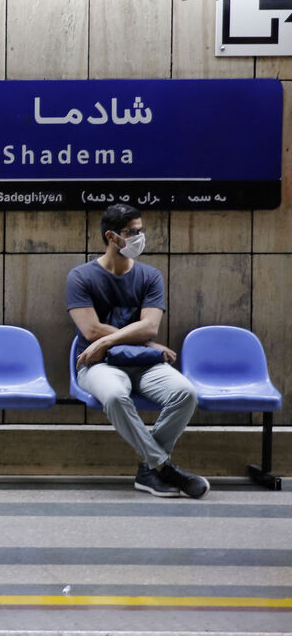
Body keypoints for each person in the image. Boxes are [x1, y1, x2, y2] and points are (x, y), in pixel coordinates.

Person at [66, 203, 208, 499]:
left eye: (141, 230)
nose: (140, 237)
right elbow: (90, 331)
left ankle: (150, 468)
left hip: (143, 362)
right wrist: (135, 340)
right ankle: (162, 468)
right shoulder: (80, 277)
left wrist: (114, 340)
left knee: (185, 393)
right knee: (116, 397)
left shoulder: (150, 276)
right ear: (111, 236)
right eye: (132, 232)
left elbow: (150, 327)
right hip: (96, 363)